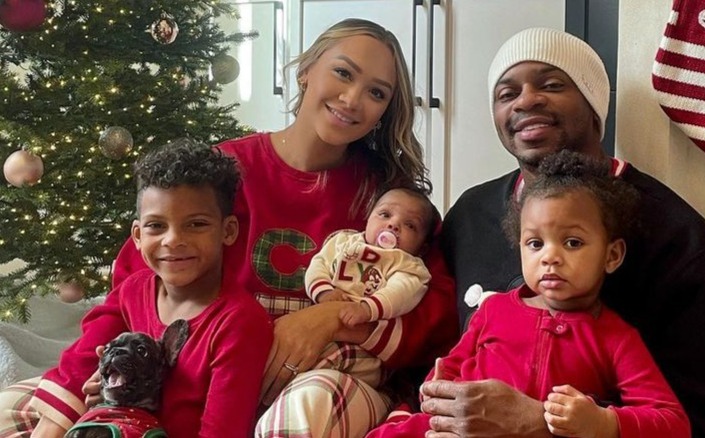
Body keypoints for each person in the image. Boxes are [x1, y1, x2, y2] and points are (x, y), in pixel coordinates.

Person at [0, 18, 459, 438]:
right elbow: (134, 288)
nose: (353, 98)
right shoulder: (221, 170)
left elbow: (434, 313)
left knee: (303, 416)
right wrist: (98, 381)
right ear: (306, 71)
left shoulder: (387, 202)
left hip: (321, 379)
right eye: (343, 73)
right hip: (195, 374)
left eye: (377, 92)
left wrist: (329, 316)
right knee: (14, 411)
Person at [430, 28, 705, 437]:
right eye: (506, 93)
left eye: (552, 84)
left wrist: (543, 424)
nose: (526, 100)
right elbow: (432, 351)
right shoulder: (469, 217)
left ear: (595, 105)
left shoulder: (681, 242)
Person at [371, 150, 691, 438]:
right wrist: (437, 390)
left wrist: (603, 423)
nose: (549, 257)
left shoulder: (615, 338)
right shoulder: (493, 309)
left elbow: (673, 423)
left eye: (572, 242)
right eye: (535, 244)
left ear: (612, 256)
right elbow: (451, 367)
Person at [28, 139, 274, 438]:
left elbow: (222, 431)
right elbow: (88, 354)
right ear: (137, 235)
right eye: (156, 226)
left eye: (196, 224)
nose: (173, 240)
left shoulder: (239, 323)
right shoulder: (133, 291)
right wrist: (108, 392)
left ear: (228, 231)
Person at [305, 186, 438, 387]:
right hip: (321, 331)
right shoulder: (342, 242)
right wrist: (324, 292)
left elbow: (400, 293)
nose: (393, 224)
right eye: (385, 214)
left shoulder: (408, 264)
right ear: (368, 219)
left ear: (422, 247)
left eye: (410, 225)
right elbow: (319, 264)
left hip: (366, 355)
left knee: (314, 364)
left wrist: (366, 309)